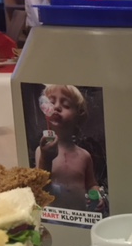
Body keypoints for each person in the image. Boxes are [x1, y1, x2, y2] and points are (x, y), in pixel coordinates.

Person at [36, 84, 104, 212]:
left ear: (79, 116)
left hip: (80, 216)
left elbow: (92, 184)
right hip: (52, 217)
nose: (56, 107)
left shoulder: (84, 156)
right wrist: (46, 159)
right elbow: (40, 187)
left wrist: (96, 195)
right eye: (51, 102)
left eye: (66, 105)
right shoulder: (41, 151)